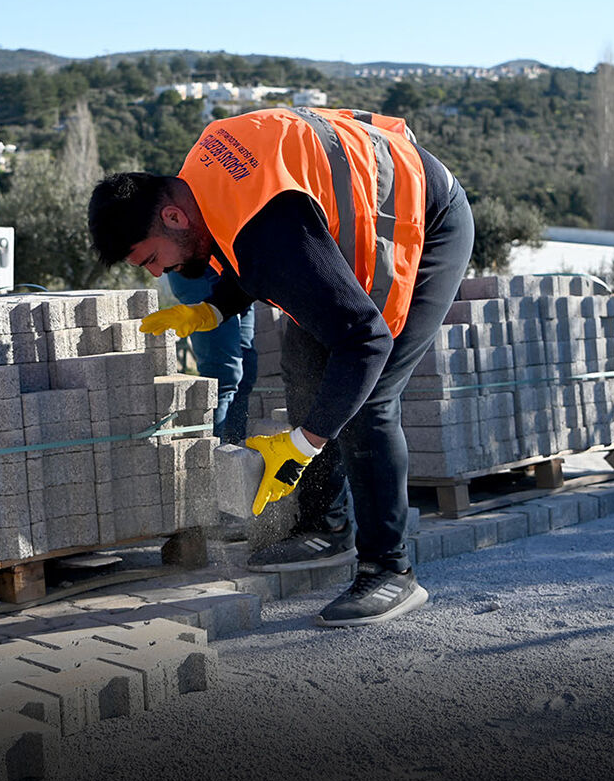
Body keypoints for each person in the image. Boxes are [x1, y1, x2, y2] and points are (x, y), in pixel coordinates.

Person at [89, 107, 473, 627]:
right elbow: (245, 248)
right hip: (355, 219)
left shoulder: (266, 226)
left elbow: (365, 339)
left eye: (150, 259)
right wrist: (215, 306)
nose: (160, 272)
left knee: (370, 397)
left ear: (173, 217)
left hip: (428, 219)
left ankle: (391, 570)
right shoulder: (202, 178)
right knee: (304, 365)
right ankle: (329, 526)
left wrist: (303, 445)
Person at [165, 270, 257, 444]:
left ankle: (237, 454)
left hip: (236, 272)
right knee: (223, 375)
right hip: (201, 272)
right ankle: (213, 459)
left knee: (246, 372)